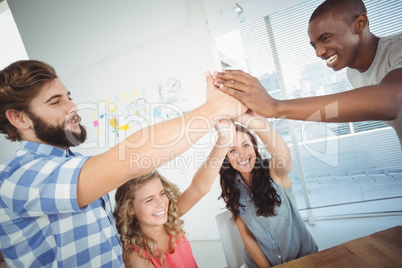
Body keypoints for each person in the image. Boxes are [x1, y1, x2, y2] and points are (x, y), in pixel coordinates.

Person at [0, 60, 246, 267]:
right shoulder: (17, 176)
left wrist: (222, 132)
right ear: (19, 117)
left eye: (68, 97)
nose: (72, 106)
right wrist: (215, 109)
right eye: (55, 102)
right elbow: (132, 158)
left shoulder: (74, 165)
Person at [213, 0, 402, 145]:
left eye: (325, 38)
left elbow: (393, 101)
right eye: (314, 45)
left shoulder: (397, 48)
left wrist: (275, 106)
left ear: (360, 23)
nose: (319, 52)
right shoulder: (353, 74)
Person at [114, 119, 234, 268]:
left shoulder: (169, 220)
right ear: (130, 208)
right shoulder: (136, 256)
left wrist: (224, 139)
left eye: (162, 193)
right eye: (149, 200)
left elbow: (199, 187)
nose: (161, 204)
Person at [219, 112, 318, 267]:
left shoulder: (273, 172)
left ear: (254, 147)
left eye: (246, 145)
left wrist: (255, 122)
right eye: (232, 150)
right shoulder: (231, 186)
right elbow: (246, 234)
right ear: (227, 158)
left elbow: (285, 158)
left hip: (302, 260)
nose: (242, 155)